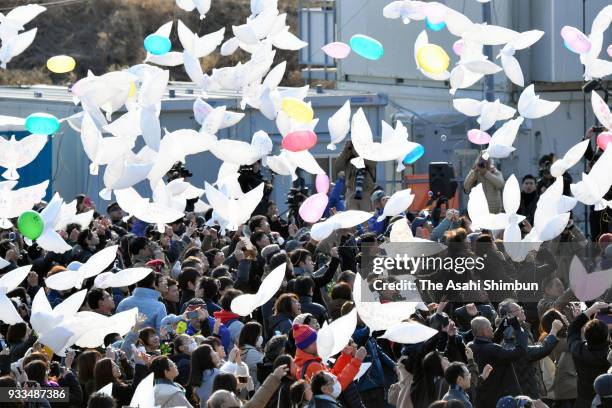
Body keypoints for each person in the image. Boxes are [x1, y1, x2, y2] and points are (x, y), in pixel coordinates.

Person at [468, 316, 528, 408]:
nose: (492, 328)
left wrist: (501, 328)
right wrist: (518, 329)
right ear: (484, 331)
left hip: (485, 397)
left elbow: (487, 344)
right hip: (502, 398)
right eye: (490, 327)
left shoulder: (471, 347)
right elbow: (520, 352)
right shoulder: (492, 350)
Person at [292, 323, 365, 391]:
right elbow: (336, 387)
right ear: (306, 345)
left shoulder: (307, 362)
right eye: (316, 341)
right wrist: (356, 361)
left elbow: (333, 376)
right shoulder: (313, 366)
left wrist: (345, 356)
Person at [567, 301, 611, 408]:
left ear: (585, 335)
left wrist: (590, 310)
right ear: (607, 337)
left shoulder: (578, 350)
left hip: (583, 402)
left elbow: (572, 329)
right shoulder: (609, 356)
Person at [335, 141, 377, 212]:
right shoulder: (348, 153)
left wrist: (357, 151)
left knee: (366, 219)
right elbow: (338, 166)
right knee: (351, 219)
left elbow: (373, 163)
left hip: (366, 191)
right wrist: (346, 150)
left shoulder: (369, 151)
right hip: (351, 190)